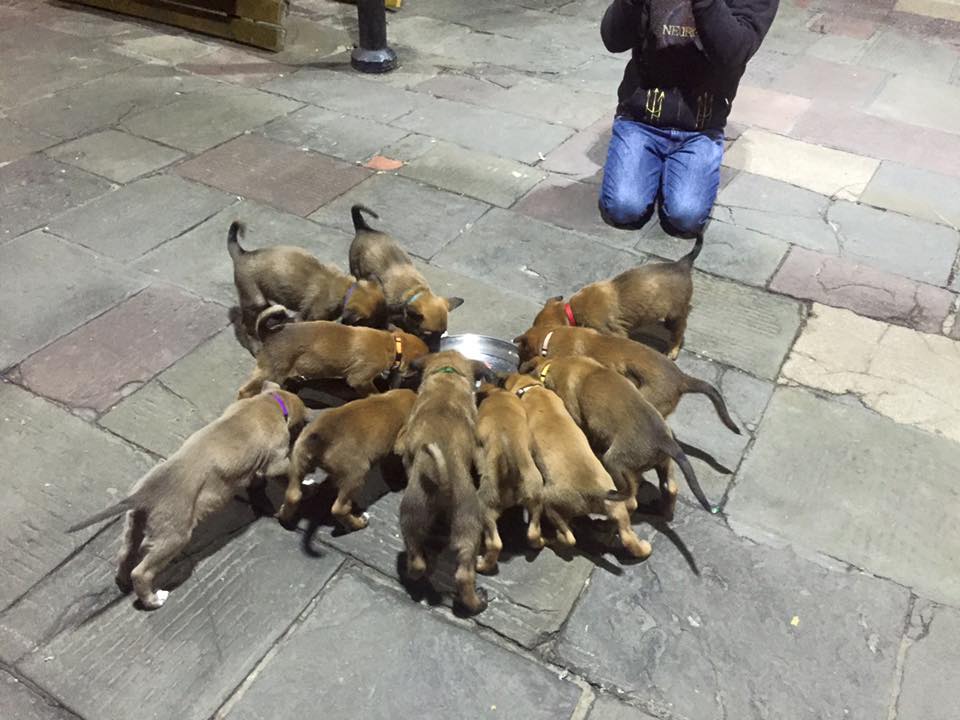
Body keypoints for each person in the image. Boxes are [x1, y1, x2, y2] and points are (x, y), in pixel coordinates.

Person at [599, 0, 779, 237]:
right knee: (623, 208)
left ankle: (669, 168)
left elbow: (734, 53)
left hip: (700, 126)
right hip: (642, 117)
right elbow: (613, 40)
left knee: (685, 216)